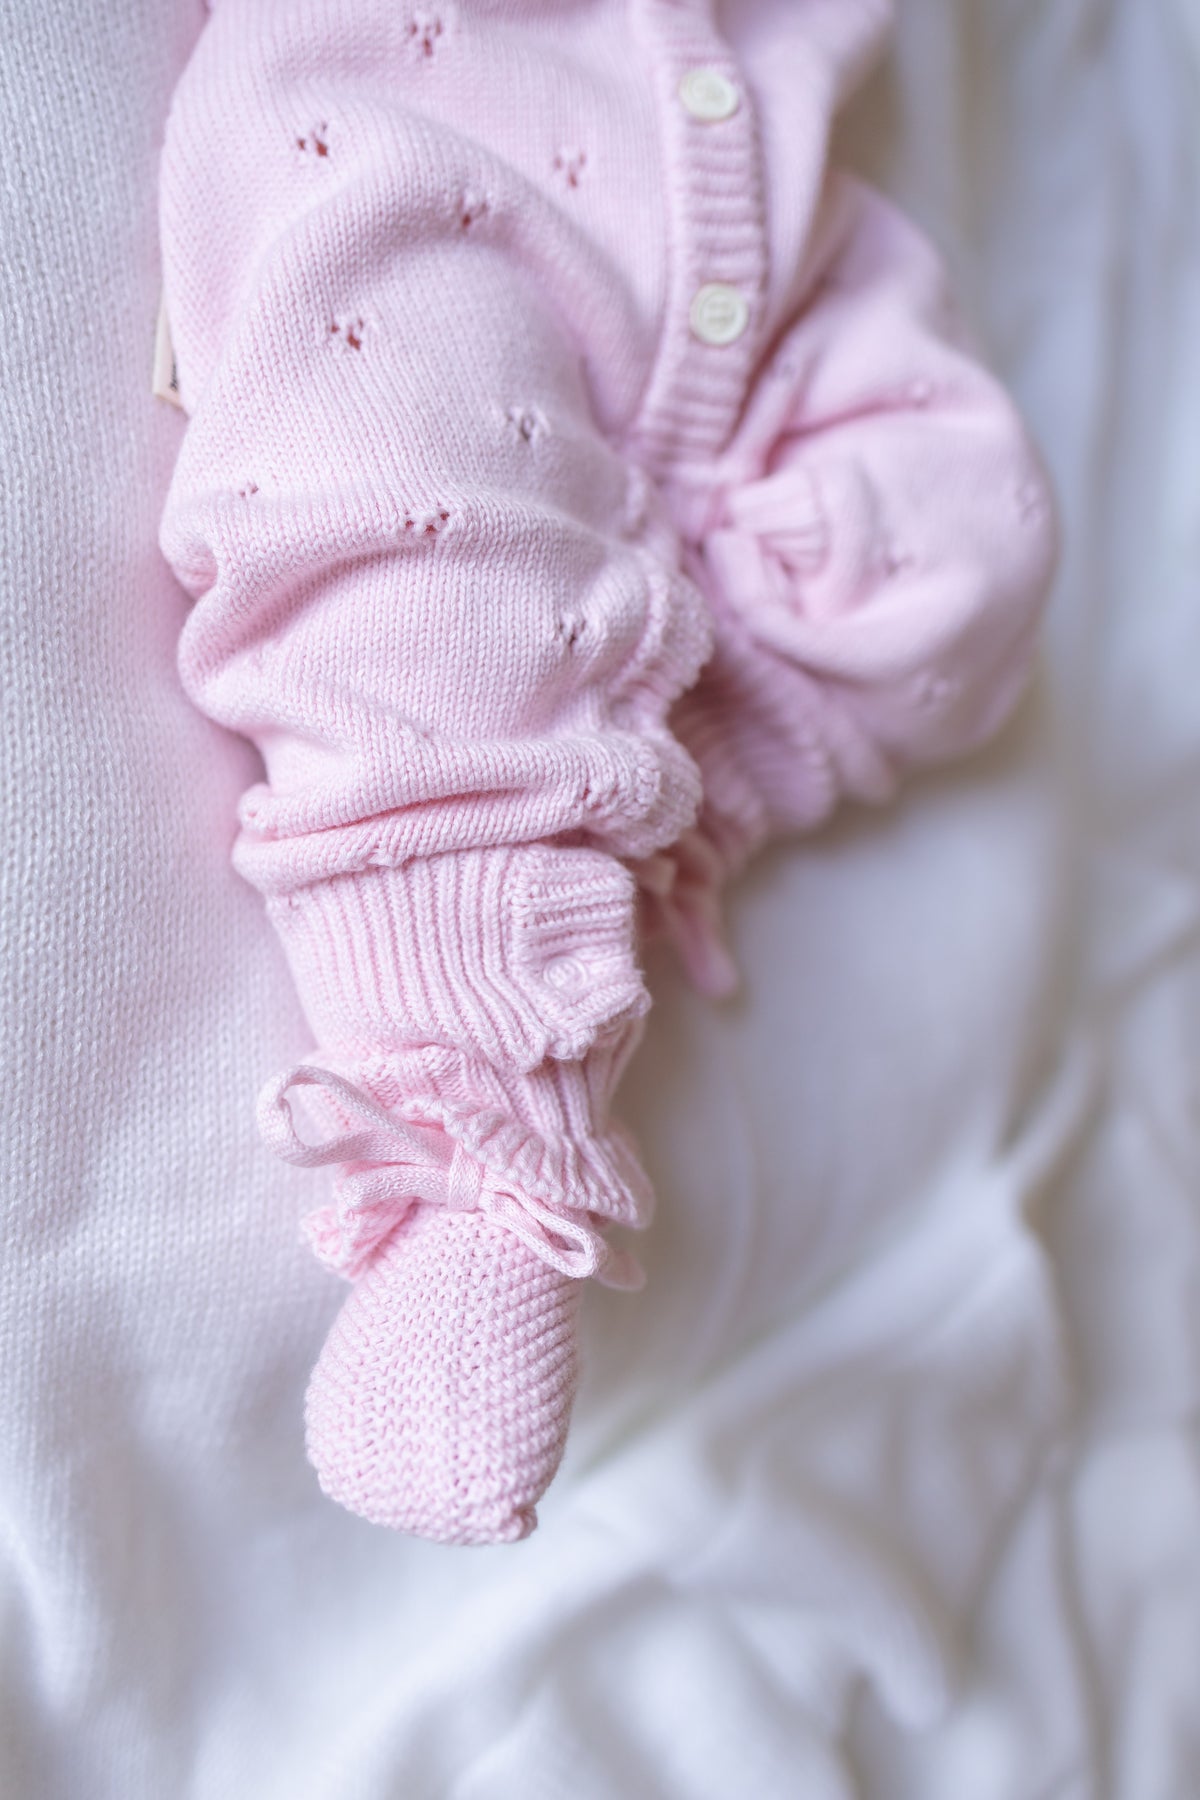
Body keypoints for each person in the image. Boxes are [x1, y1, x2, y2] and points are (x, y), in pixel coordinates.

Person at [156, 0, 1057, 1546]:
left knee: (971, 538)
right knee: (403, 515)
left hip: (768, 228)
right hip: (421, 132)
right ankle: (476, 1128)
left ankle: (643, 777)